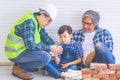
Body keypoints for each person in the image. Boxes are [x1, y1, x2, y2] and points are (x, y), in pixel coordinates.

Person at [5, 3, 63, 80]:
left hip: (22, 50)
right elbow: (30, 45)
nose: (48, 24)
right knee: (45, 57)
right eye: (48, 21)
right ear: (42, 16)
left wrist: (54, 46)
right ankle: (18, 68)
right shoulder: (29, 22)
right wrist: (49, 47)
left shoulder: (37, 22)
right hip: (15, 52)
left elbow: (45, 36)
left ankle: (27, 65)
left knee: (46, 50)